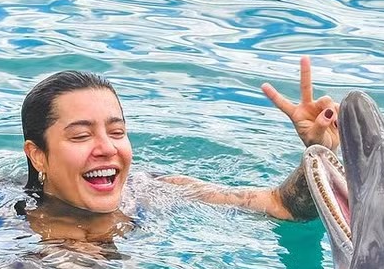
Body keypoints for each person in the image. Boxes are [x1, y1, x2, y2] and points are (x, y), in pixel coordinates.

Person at [17, 56, 338, 244]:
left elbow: (284, 206)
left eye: (117, 132)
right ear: (38, 154)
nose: (106, 148)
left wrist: (322, 156)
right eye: (81, 136)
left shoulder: (149, 191)